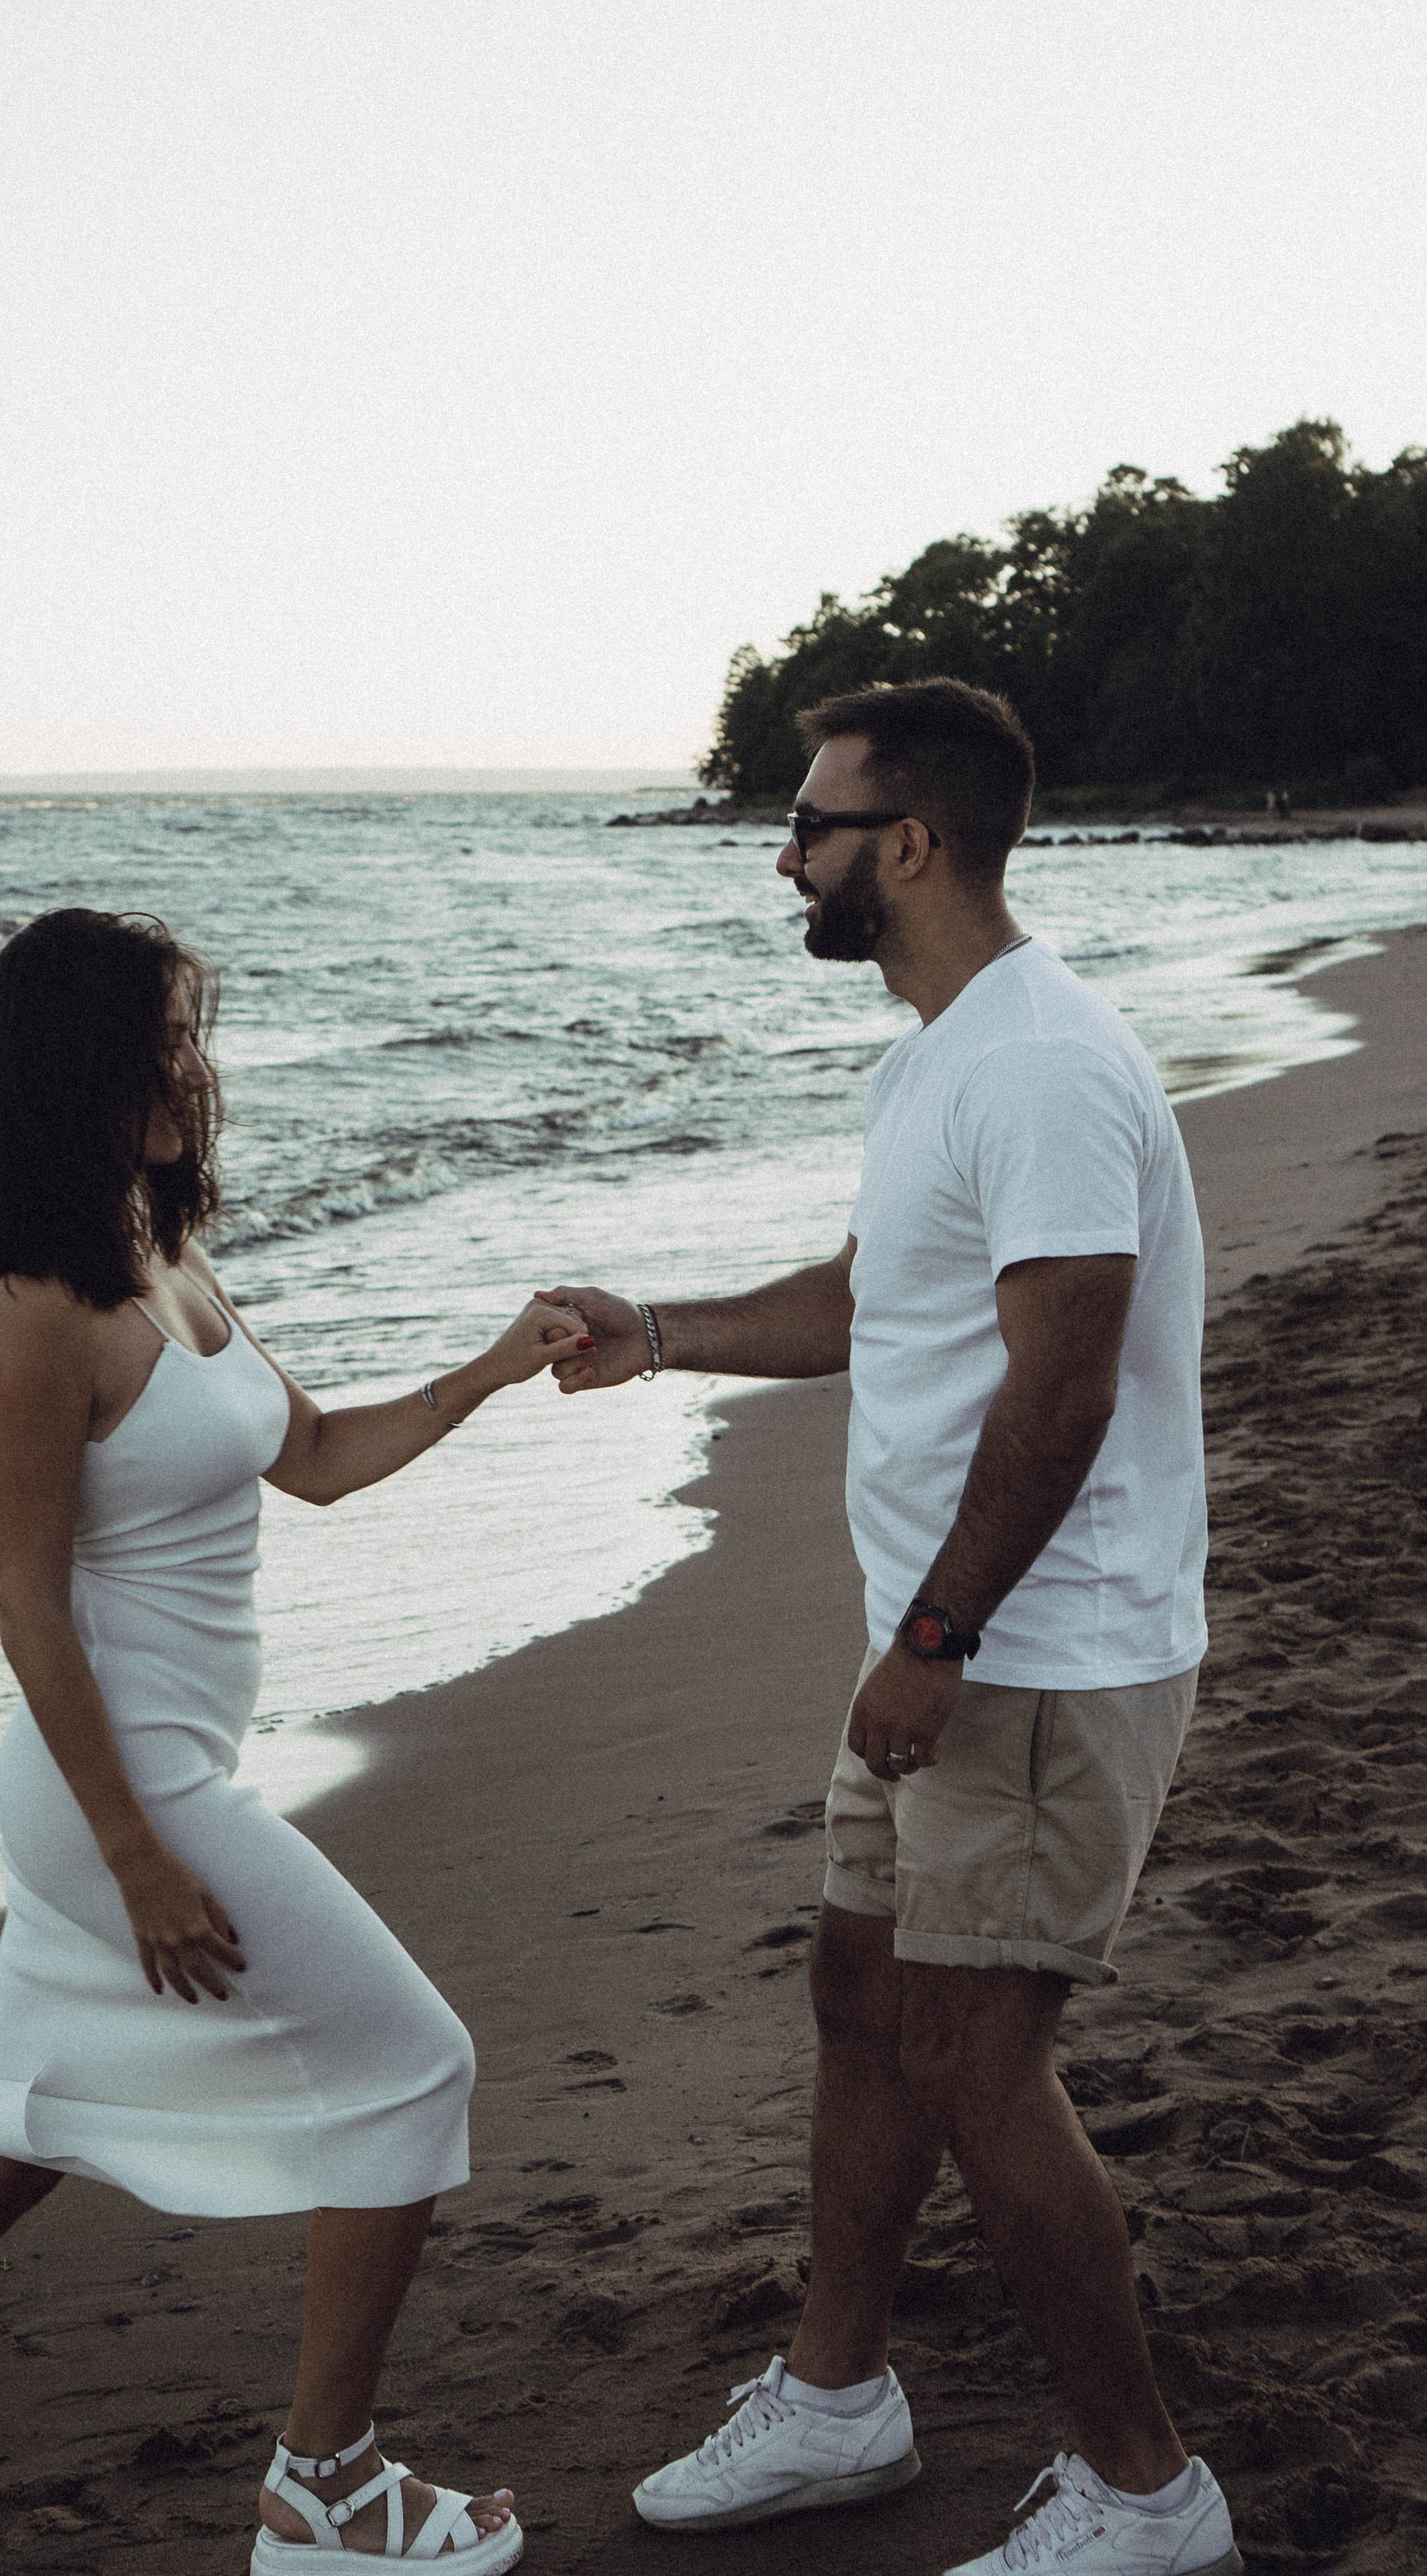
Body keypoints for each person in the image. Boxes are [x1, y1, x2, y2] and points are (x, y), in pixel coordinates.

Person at [0, 906, 585, 2576]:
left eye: (192, 1040)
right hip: (122, 1797)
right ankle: (327, 2493)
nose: (194, 1072)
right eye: (165, 1044)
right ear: (82, 1071)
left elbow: (313, 1457)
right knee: (415, 2068)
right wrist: (139, 1857)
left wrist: (494, 1370)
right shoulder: (33, 1315)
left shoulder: (169, 1259)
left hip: (159, 1782)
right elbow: (30, 1612)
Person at [545, 680, 1240, 2576]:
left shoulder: (1039, 1064)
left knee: (969, 2056)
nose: (783, 857)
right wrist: (658, 1333)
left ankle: (1144, 2493)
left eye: (812, 825)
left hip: (1035, 1651)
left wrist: (934, 1638)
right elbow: (873, 1304)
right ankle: (836, 2398)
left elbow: (1063, 1386)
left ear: (910, 845)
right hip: (949, 1636)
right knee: (859, 2004)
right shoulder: (935, 1056)